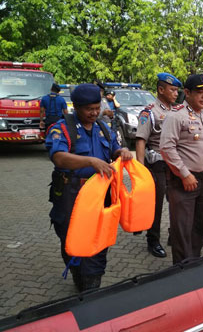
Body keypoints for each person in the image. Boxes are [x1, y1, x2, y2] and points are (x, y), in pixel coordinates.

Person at [45, 83, 133, 291]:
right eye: (89, 109)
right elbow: (58, 157)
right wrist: (90, 162)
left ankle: (92, 285)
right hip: (72, 195)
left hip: (100, 194)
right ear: (75, 107)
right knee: (72, 239)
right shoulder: (62, 128)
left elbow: (114, 149)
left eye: (97, 107)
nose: (94, 113)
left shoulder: (102, 127)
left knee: (99, 240)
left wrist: (122, 152)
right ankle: (78, 270)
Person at [160, 73, 203, 264]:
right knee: (182, 229)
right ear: (186, 93)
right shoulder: (176, 116)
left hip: (202, 180)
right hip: (183, 181)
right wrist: (185, 174)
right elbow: (166, 148)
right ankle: (181, 269)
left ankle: (194, 262)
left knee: (199, 225)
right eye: (199, 92)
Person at [135, 72, 182, 258]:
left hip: (175, 165)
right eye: (172, 89)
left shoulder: (177, 111)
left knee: (178, 202)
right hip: (158, 165)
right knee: (156, 205)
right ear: (161, 90)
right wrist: (140, 171)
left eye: (177, 90)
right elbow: (140, 140)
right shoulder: (149, 112)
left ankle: (174, 234)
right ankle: (153, 240)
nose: (175, 93)